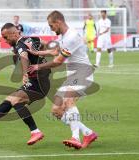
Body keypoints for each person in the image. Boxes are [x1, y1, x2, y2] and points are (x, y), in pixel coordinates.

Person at [27, 10, 97, 149]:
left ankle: (75, 138)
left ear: (58, 22)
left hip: (83, 73)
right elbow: (55, 51)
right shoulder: (64, 36)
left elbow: (58, 61)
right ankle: (88, 133)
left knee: (68, 100)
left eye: (51, 26)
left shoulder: (72, 36)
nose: (51, 29)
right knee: (57, 110)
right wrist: (38, 52)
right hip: (73, 76)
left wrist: (38, 67)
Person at [0, 23, 51, 145]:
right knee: (10, 99)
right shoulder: (32, 38)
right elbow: (45, 43)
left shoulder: (20, 44)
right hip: (40, 80)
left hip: (39, 82)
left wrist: (25, 74)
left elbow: (24, 56)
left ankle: (35, 131)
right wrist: (43, 57)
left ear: (14, 34)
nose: (5, 40)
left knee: (15, 100)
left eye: (6, 37)